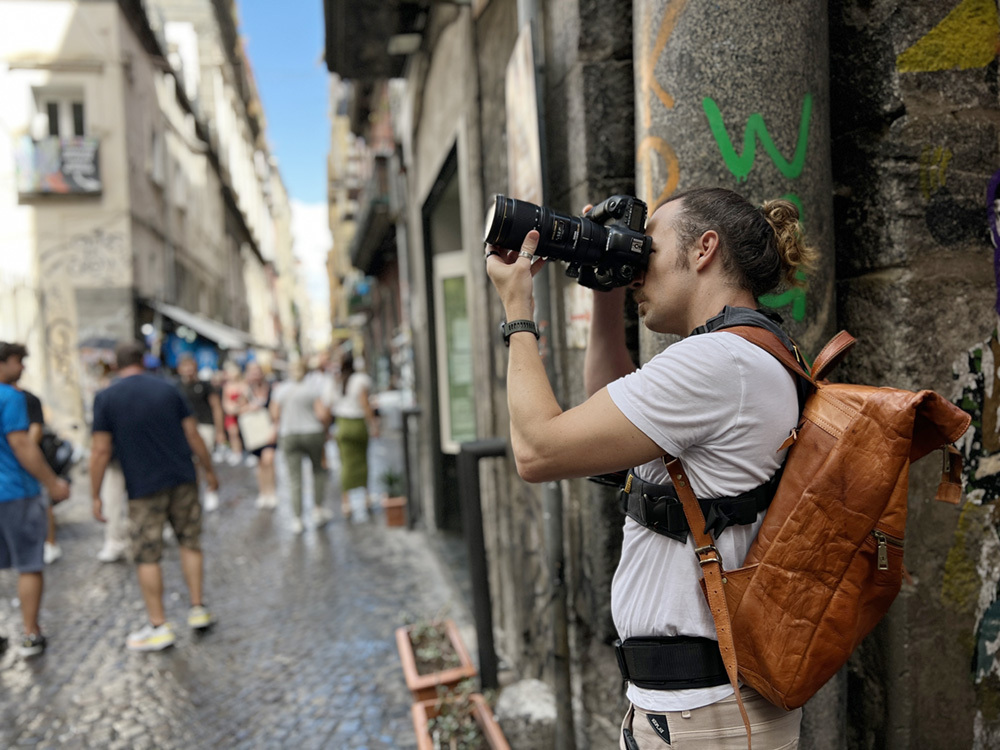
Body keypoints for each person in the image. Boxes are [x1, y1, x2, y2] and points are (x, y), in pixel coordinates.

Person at [485, 187, 814, 749]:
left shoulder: (718, 362)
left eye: (648, 251)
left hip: (704, 716)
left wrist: (519, 314)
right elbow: (609, 415)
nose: (638, 268)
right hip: (701, 710)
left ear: (704, 248)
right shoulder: (743, 353)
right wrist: (607, 293)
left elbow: (539, 450)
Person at [89, 341, 219, 652]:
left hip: (143, 486)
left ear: (118, 365)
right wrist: (209, 470)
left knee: (148, 555)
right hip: (182, 478)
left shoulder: (106, 397)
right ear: (143, 362)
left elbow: (100, 450)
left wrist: (94, 494)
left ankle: (159, 625)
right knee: (190, 541)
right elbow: (192, 434)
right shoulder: (168, 389)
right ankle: (197, 608)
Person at [0, 341, 71, 657]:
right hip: (15, 491)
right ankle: (30, 634)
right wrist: (52, 482)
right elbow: (22, 444)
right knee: (29, 563)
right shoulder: (10, 397)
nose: (23, 368)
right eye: (19, 361)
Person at [270, 360, 333, 533]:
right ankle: (317, 510)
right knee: (318, 471)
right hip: (312, 432)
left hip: (289, 434)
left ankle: (297, 519)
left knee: (294, 478)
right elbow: (322, 414)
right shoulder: (312, 389)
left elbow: (274, 414)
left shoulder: (281, 389)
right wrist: (326, 430)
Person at [333, 350, 378, 518]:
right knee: (362, 460)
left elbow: (330, 403)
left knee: (345, 463)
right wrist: (373, 424)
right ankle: (366, 497)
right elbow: (364, 403)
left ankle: (346, 502)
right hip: (357, 423)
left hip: (342, 424)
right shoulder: (360, 380)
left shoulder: (338, 381)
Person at [176, 355, 225, 511]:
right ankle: (195, 495)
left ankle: (211, 490)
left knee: (203, 460)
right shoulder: (177, 387)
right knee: (191, 463)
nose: (188, 370)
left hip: (205, 427)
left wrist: (219, 430)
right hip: (185, 430)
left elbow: (216, 407)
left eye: (190, 366)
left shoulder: (205, 386)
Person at [241, 361, 278, 508]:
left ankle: (272, 491)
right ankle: (263, 492)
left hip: (269, 430)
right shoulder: (245, 390)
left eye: (257, 370)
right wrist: (249, 408)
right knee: (260, 464)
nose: (255, 374)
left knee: (269, 460)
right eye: (252, 371)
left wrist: (275, 428)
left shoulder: (271, 388)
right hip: (255, 433)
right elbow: (238, 409)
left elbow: (276, 410)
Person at [221, 361, 247, 465]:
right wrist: (231, 408)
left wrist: (239, 407)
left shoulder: (243, 384)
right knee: (233, 433)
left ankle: (247, 452)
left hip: (242, 412)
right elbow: (225, 401)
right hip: (231, 413)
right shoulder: (227, 386)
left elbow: (245, 398)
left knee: (245, 433)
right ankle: (236, 452)